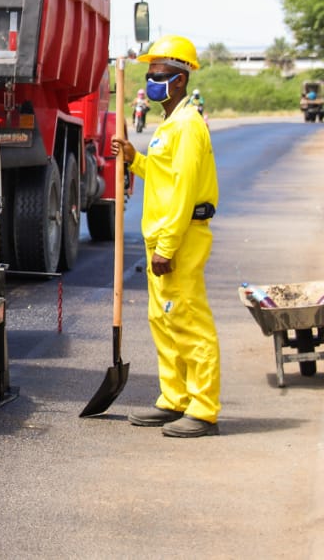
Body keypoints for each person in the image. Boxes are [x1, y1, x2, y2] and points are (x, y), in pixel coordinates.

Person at [111, 35, 221, 437]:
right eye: (148, 75)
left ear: (178, 81)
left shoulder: (189, 125)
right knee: (164, 320)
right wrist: (134, 159)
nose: (151, 81)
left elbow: (185, 191)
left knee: (189, 321)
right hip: (160, 236)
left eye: (157, 75)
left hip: (181, 238)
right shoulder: (168, 124)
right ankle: (174, 399)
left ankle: (204, 408)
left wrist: (168, 246)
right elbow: (164, 178)